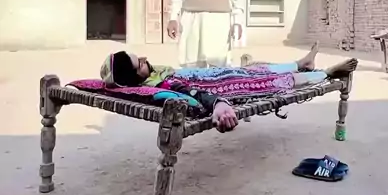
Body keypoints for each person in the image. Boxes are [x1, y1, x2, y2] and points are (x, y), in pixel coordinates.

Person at [100, 48, 358, 133]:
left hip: (219, 74)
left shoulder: (155, 74)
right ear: (136, 77)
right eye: (139, 63)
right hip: (224, 85)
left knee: (256, 70)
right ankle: (325, 74)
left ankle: (301, 64)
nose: (144, 58)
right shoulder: (161, 84)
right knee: (270, 81)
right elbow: (190, 92)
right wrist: (218, 103)